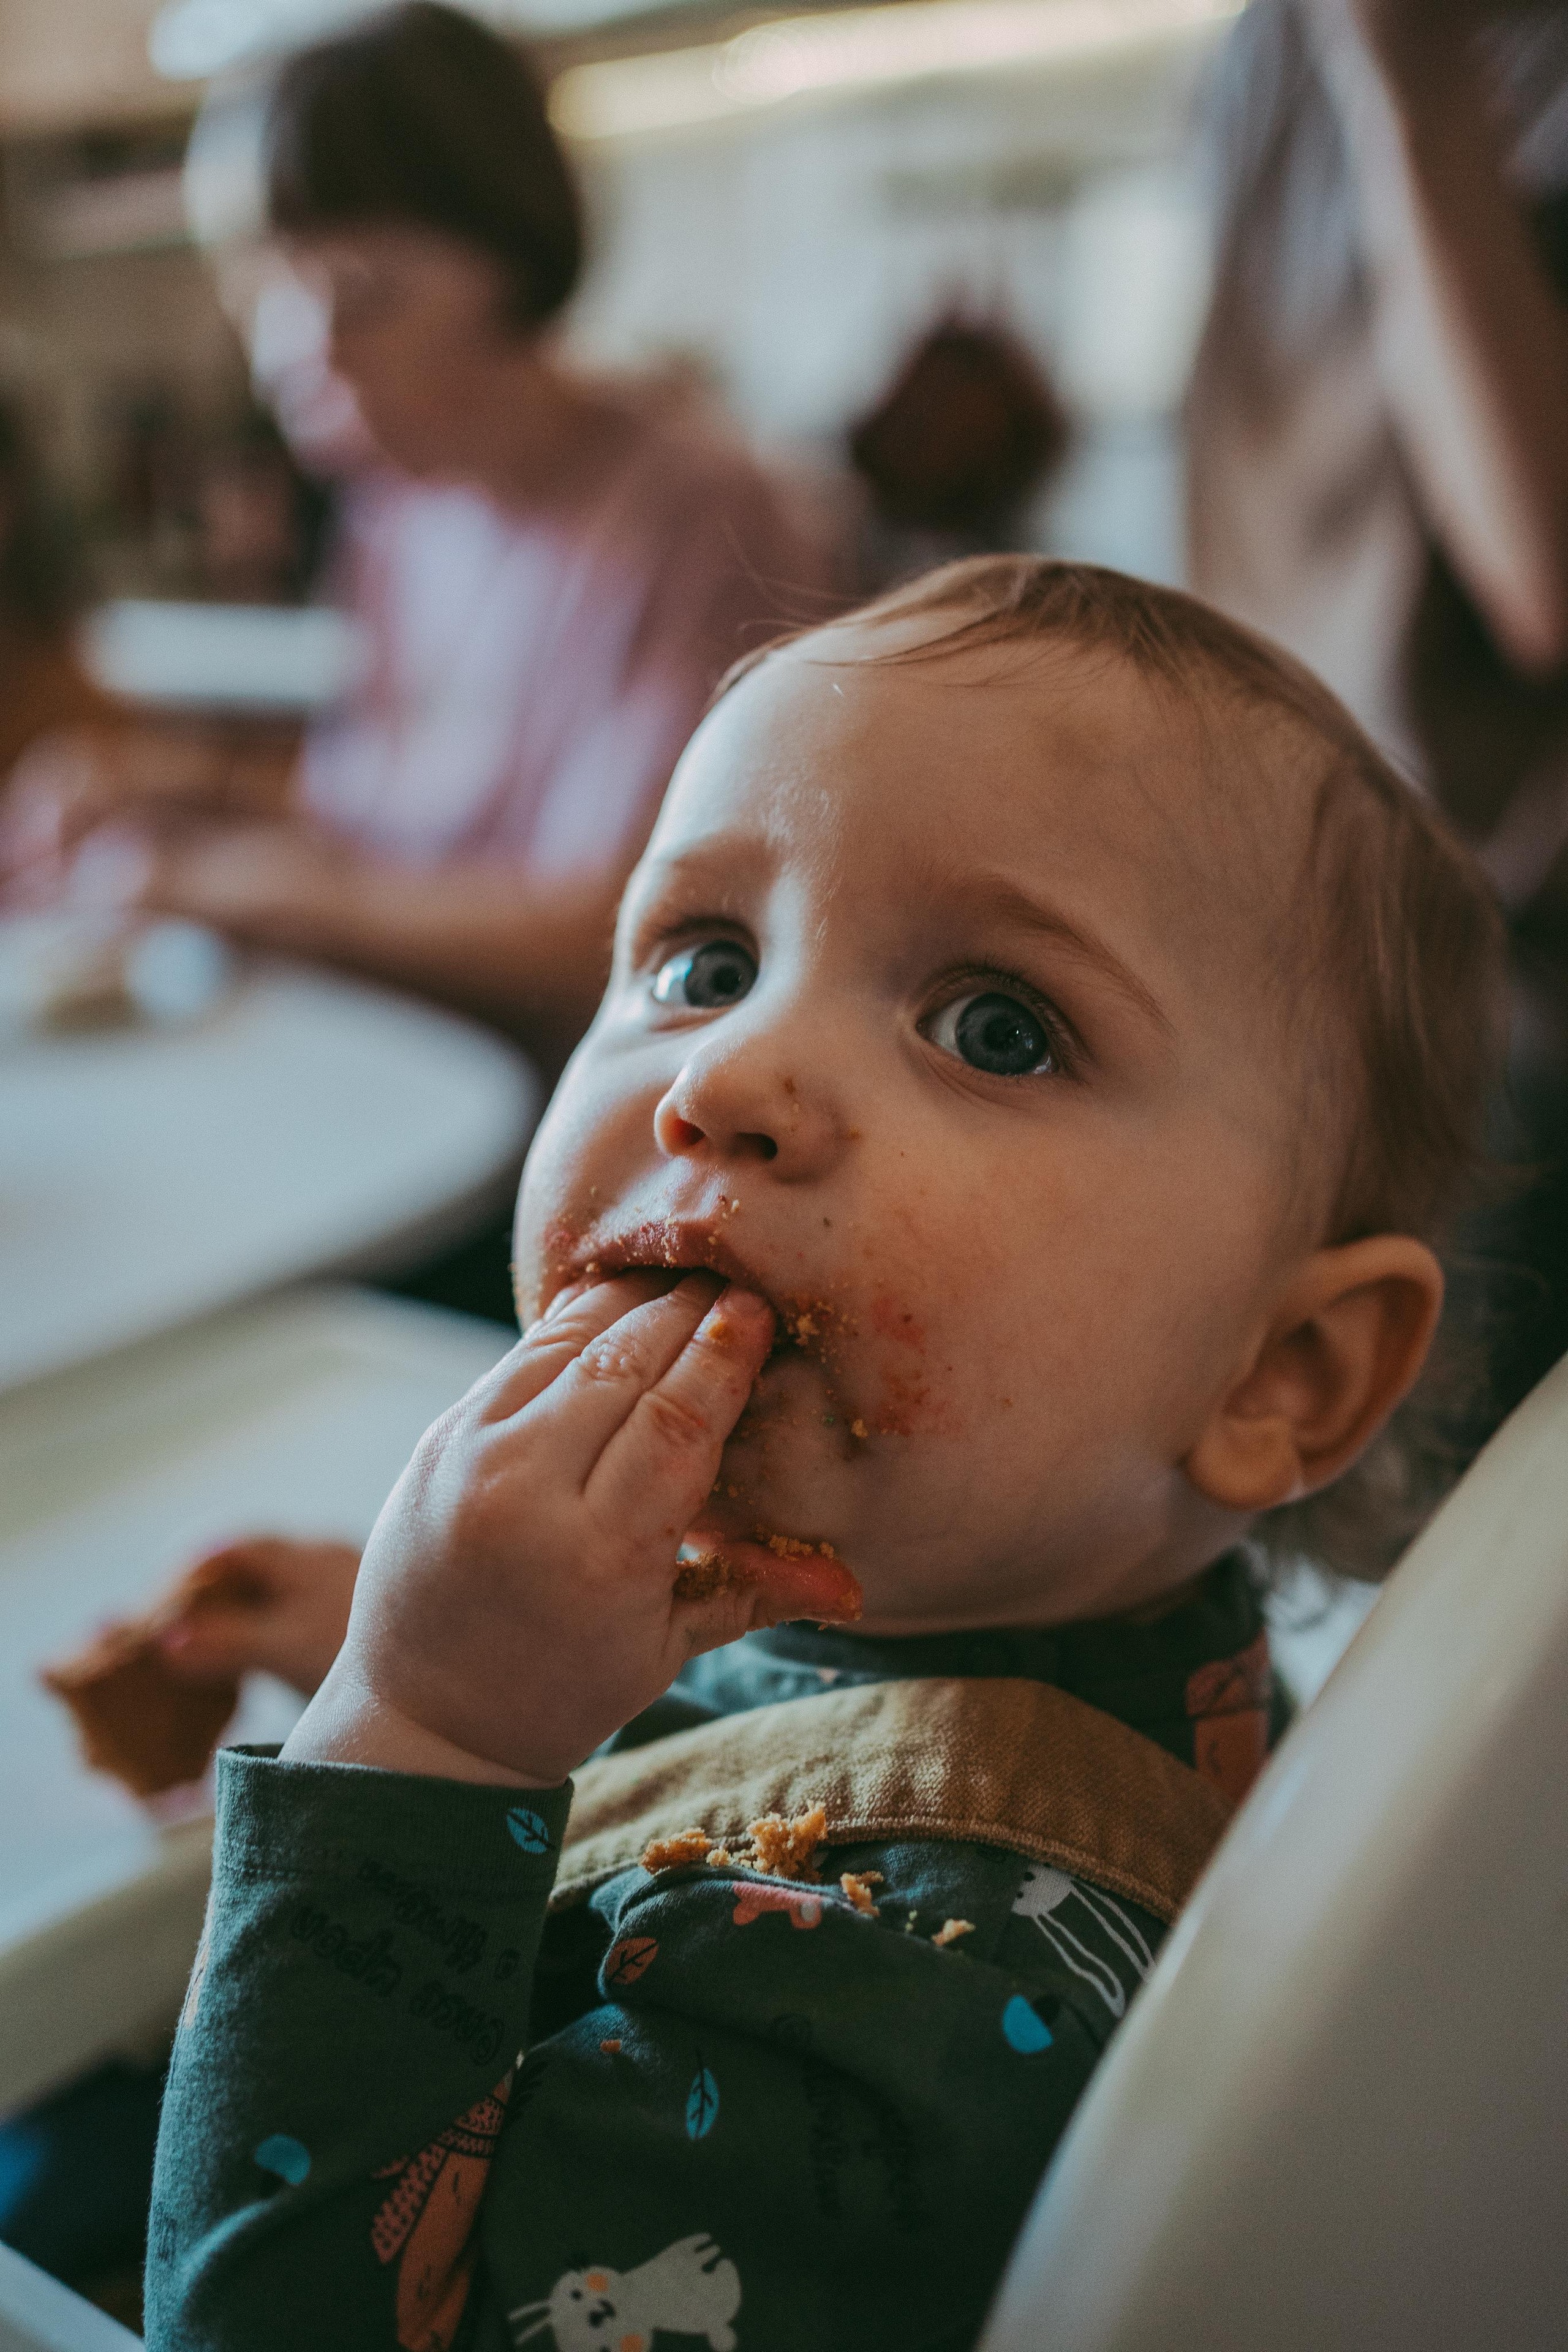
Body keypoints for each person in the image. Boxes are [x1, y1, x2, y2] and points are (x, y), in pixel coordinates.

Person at [141, 554, 1502, 2350]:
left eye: (995, 1029)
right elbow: (777, 1711)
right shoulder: (1032, 1582)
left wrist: (426, 1738)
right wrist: (445, 1623)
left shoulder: (896, 2013)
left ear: (1283, 1371)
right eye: (703, 962)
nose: (729, 1080)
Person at [11, 2, 835, 1079]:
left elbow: (612, 927)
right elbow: (403, 824)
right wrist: (184, 788)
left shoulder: (705, 516)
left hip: (585, 1134)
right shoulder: (400, 508)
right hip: (400, 1074)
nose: (290, 355)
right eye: (262, 295)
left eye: (357, 293)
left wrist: (227, 885)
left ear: (515, 263)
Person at [1187, 0, 1568, 1422]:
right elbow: (1249, 469)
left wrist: (1405, 84)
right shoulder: (1264, 47)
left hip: (1504, 942)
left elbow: (1544, 577)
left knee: (1412, 1525)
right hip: (1300, 864)